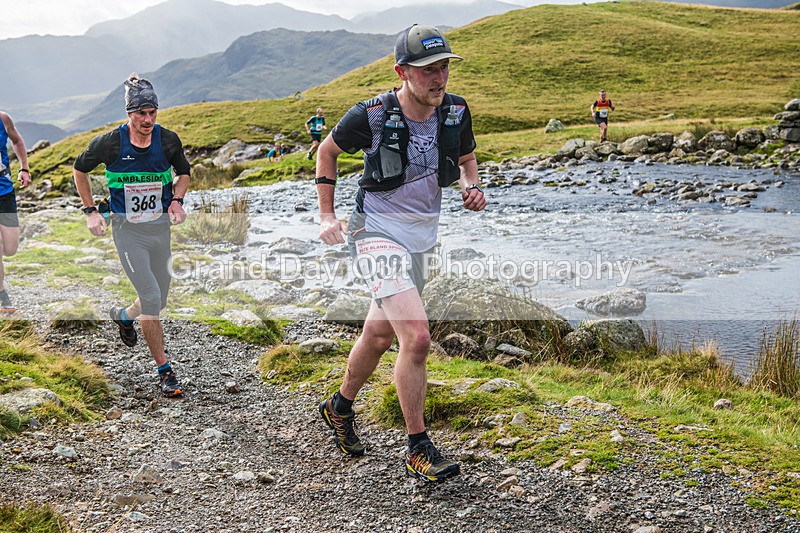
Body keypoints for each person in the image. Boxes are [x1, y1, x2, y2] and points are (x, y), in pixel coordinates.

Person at [315, 24, 487, 482]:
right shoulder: (370, 114)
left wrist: (472, 187)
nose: (440, 77)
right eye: (429, 69)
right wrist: (326, 217)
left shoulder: (455, 110)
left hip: (421, 238)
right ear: (402, 71)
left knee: (378, 337)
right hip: (375, 231)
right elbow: (326, 153)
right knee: (418, 338)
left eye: (445, 66)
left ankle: (339, 406)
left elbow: (467, 157)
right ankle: (417, 446)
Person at [73, 74, 189, 398]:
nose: (148, 119)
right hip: (127, 232)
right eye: (141, 113)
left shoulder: (167, 141)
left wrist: (177, 201)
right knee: (151, 297)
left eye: (152, 112)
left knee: (159, 300)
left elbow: (184, 173)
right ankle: (165, 371)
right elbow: (79, 169)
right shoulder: (110, 143)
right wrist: (91, 211)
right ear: (129, 113)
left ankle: (124, 316)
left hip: (159, 230)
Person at [0, 112, 31, 313]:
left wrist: (24, 168)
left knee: (10, 248)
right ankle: (2, 294)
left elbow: (17, 140)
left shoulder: (3, 119)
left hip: (5, 192)